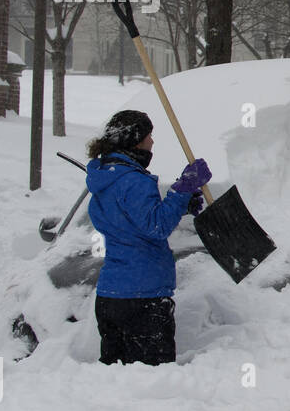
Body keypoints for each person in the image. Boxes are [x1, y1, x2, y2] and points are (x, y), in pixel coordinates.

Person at [85, 110, 212, 365]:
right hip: (142, 299)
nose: (152, 142)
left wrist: (180, 205)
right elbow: (156, 227)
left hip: (110, 297)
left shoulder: (105, 178)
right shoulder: (134, 181)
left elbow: (129, 220)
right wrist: (182, 189)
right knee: (153, 384)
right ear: (134, 140)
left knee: (115, 380)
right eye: (148, 136)